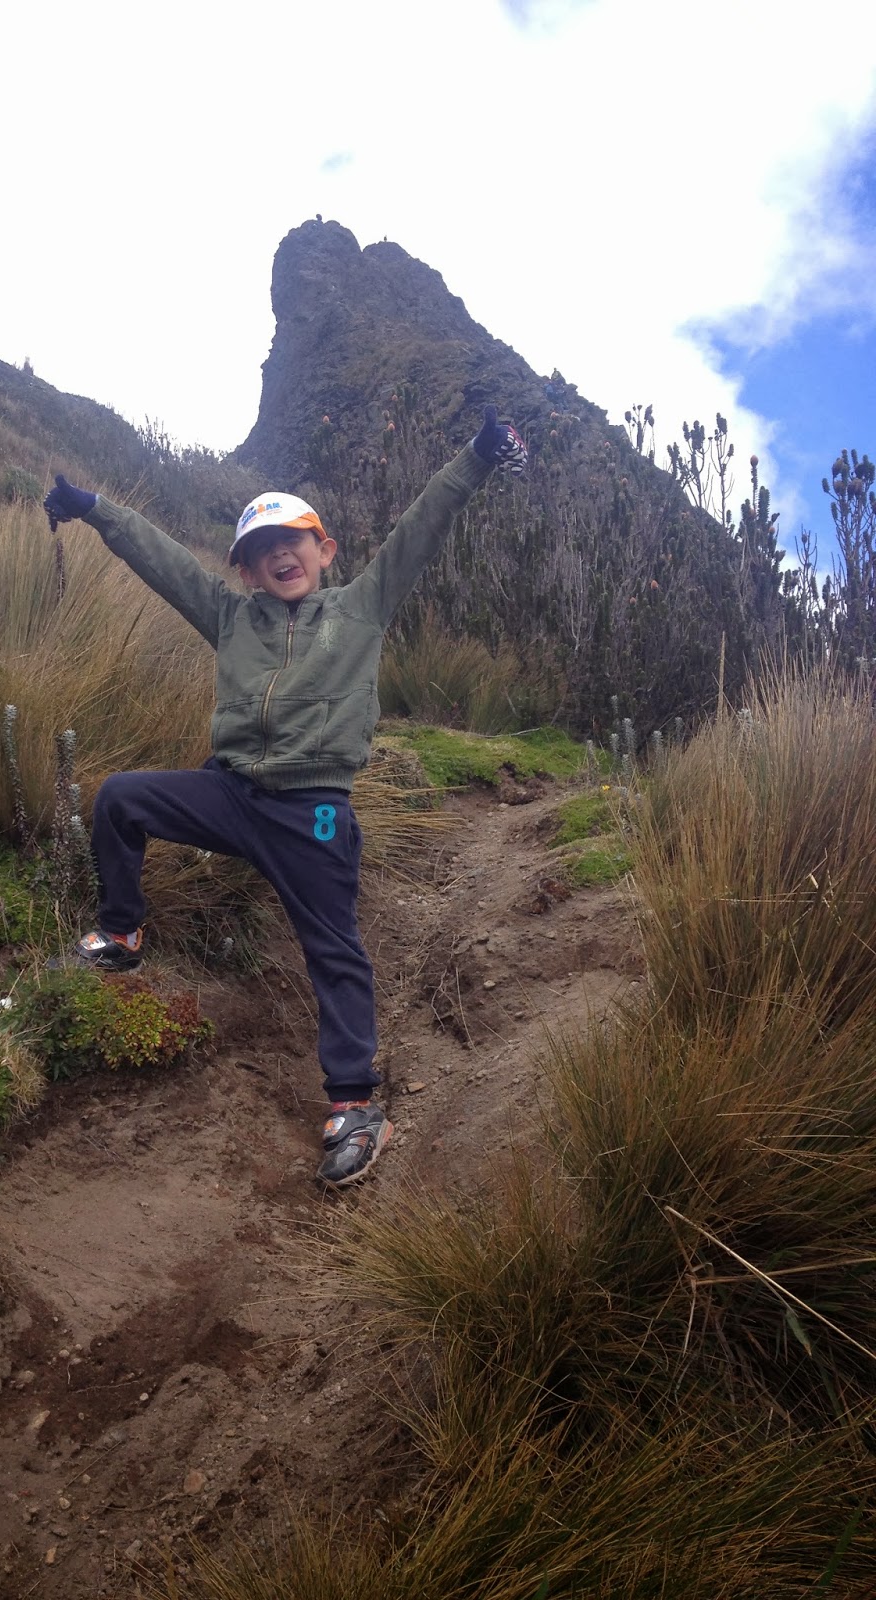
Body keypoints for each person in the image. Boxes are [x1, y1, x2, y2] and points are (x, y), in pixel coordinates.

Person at [43, 407, 527, 1187]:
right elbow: (164, 562)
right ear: (245, 570)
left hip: (313, 812)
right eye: (260, 549)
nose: (278, 556)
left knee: (332, 947)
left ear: (323, 550)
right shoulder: (231, 617)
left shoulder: (361, 608)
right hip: (232, 795)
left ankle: (354, 1105)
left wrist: (476, 455)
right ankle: (122, 935)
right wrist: (95, 509)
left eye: (291, 541)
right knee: (121, 798)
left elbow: (421, 526)